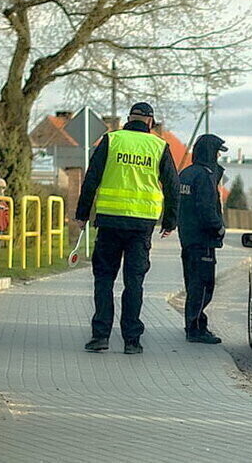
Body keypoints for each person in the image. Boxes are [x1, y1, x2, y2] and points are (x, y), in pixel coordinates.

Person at [75, 102, 180, 355]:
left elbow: (91, 179)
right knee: (134, 282)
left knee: (104, 279)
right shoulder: (159, 146)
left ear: (128, 119)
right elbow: (172, 186)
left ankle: (100, 336)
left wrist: (82, 214)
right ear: (150, 122)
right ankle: (132, 340)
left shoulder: (111, 141)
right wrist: (169, 221)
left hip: (109, 221)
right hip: (141, 225)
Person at [178, 134, 228, 344]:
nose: (218, 156)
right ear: (210, 152)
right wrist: (218, 228)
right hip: (203, 240)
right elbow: (206, 208)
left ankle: (193, 324)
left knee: (192, 284)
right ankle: (196, 328)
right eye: (217, 152)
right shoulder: (205, 176)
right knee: (203, 286)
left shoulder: (186, 174)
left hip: (188, 238)